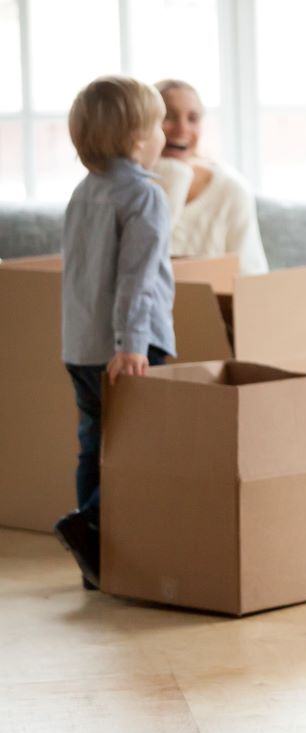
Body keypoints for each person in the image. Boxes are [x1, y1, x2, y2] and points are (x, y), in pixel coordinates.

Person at [53, 76, 177, 589]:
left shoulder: (84, 193)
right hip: (128, 348)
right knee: (140, 449)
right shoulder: (145, 196)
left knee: (94, 447)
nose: (166, 134)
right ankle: (91, 528)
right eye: (159, 124)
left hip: (80, 346)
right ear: (138, 138)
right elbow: (137, 279)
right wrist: (130, 345)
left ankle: (95, 556)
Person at [153, 79, 269, 275]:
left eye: (193, 118)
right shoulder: (123, 189)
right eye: (168, 117)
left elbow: (252, 275)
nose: (182, 130)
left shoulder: (231, 190)